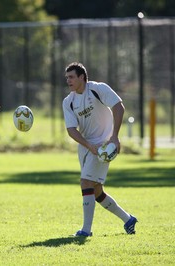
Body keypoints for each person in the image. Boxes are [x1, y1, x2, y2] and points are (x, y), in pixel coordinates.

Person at [62, 62, 137, 237]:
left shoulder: (97, 89)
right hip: (86, 147)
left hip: (104, 145)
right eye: (67, 78)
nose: (68, 81)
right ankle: (128, 219)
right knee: (96, 190)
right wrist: (89, 146)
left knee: (85, 182)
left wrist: (114, 137)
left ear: (82, 77)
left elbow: (118, 106)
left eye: (71, 77)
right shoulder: (69, 101)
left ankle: (86, 231)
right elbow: (71, 130)